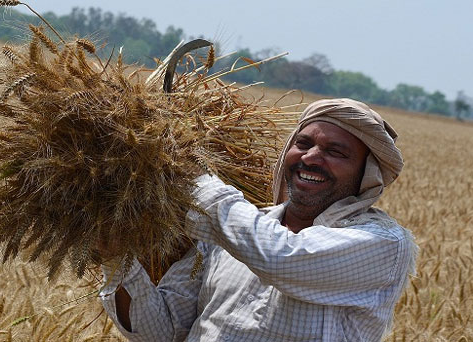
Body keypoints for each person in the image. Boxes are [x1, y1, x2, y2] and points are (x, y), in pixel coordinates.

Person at [99, 98, 417, 342]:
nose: (310, 157)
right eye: (303, 144)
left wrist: (188, 176)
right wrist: (115, 257)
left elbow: (282, 257)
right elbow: (162, 332)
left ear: (366, 176)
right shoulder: (233, 232)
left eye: (336, 152)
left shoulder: (382, 243)